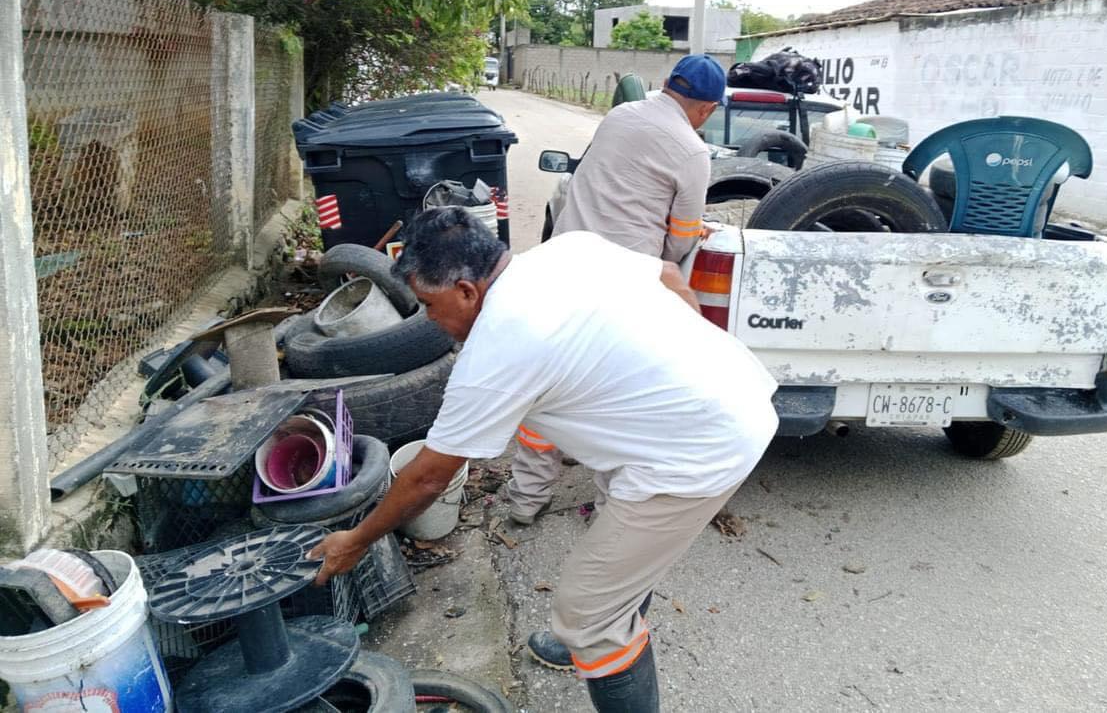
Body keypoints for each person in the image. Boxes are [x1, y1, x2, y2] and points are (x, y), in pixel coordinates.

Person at [309, 207, 777, 713]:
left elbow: (428, 477)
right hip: (732, 389)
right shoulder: (569, 250)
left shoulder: (497, 349)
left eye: (429, 302)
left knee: (586, 613)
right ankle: (606, 623)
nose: (430, 319)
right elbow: (665, 275)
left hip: (700, 450)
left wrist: (355, 541)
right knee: (616, 566)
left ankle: (597, 629)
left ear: (466, 291)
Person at [505, 53, 728, 528]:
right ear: (707, 109)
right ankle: (608, 512)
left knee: (547, 385)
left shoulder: (620, 115)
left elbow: (613, 184)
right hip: (620, 289)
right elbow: (682, 237)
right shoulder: (692, 152)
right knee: (612, 397)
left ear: (668, 83)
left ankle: (526, 499)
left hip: (564, 267)